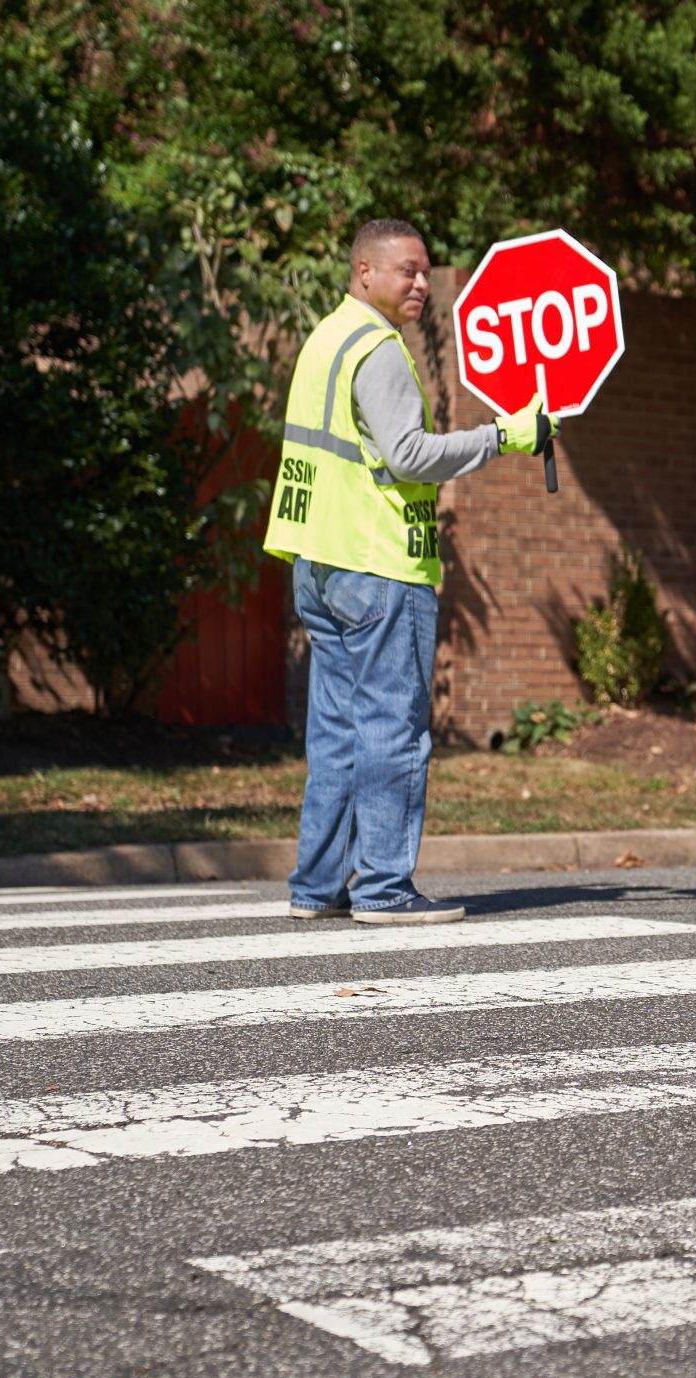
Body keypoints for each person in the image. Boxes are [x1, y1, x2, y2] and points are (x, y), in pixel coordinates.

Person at [263, 217, 555, 925]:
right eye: (407, 270)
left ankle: (318, 886)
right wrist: (505, 435)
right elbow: (409, 455)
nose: (422, 283)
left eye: (426, 271)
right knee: (392, 729)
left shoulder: (325, 337)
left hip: (319, 562)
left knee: (335, 730)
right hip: (379, 564)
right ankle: (385, 889)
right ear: (365, 271)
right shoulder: (379, 348)